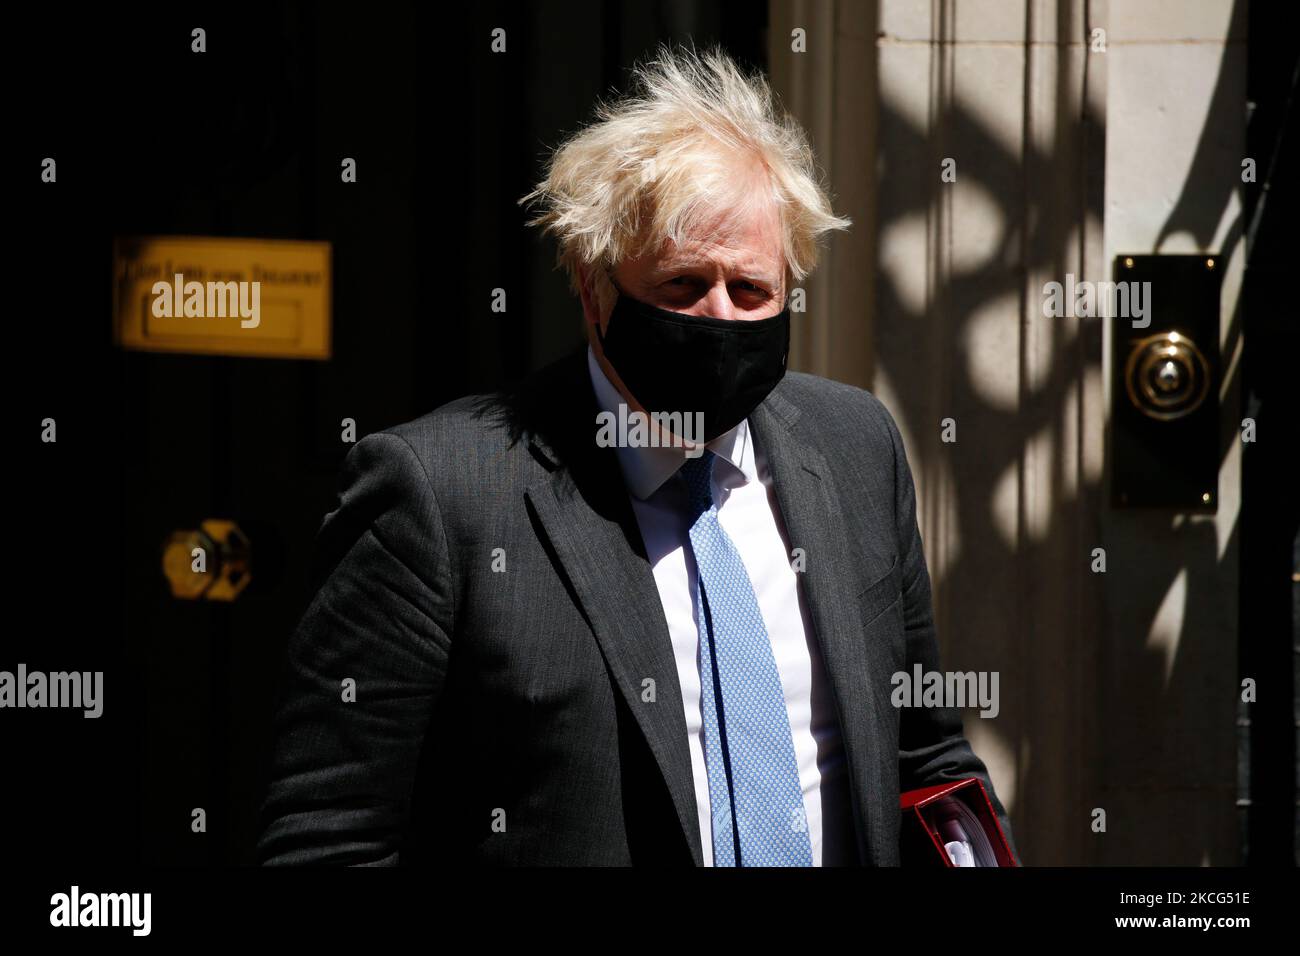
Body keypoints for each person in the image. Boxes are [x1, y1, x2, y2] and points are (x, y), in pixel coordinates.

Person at [256, 43, 1018, 867]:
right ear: (593, 289)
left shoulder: (857, 448)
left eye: (752, 290)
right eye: (684, 286)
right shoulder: (438, 495)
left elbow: (925, 757)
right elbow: (331, 837)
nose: (722, 318)